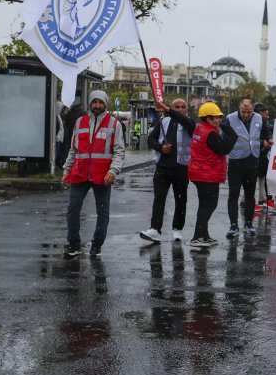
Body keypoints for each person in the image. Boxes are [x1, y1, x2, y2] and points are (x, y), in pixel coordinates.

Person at [61, 90, 126, 258]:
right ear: (90, 103)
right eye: (94, 102)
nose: (97, 105)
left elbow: (119, 151)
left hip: (102, 176)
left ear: (105, 104)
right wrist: (66, 171)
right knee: (72, 210)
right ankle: (73, 244)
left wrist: (113, 171)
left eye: (100, 102)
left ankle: (97, 245)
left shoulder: (114, 124)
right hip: (79, 174)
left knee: (102, 212)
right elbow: (73, 150)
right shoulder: (79, 122)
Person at [140, 99, 196, 242]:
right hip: (162, 167)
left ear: (187, 110)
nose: (180, 109)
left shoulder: (189, 123)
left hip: (181, 167)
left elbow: (186, 123)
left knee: (181, 200)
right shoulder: (163, 122)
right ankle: (155, 229)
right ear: (172, 108)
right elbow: (151, 140)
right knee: (159, 199)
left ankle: (177, 229)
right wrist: (161, 148)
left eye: (183, 107)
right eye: (176, 107)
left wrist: (168, 110)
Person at [187, 102, 237, 248]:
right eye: (214, 118)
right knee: (209, 205)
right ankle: (197, 237)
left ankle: (203, 235)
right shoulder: (210, 133)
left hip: (200, 172)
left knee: (204, 205)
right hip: (207, 174)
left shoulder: (200, 129)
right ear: (206, 118)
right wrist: (232, 135)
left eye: (219, 117)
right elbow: (224, 149)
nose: (218, 120)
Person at [223, 99, 271, 237]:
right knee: (234, 194)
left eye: (249, 112)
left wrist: (268, 140)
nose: (246, 114)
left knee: (250, 195)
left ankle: (248, 224)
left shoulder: (258, 118)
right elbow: (224, 136)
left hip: (252, 161)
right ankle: (233, 226)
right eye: (243, 112)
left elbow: (266, 133)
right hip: (236, 162)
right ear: (239, 108)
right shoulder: (230, 118)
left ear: (252, 110)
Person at [252, 102, 276, 214]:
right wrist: (263, 143)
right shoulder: (253, 123)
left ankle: (263, 201)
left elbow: (268, 131)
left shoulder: (264, 123)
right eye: (264, 113)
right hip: (255, 154)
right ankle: (253, 202)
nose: (267, 115)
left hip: (262, 155)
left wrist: (269, 140)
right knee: (253, 179)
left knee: (263, 177)